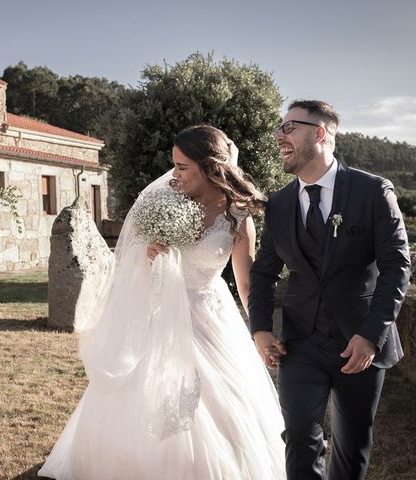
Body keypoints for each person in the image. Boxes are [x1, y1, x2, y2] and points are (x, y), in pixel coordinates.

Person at [38, 125, 286, 479]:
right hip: (161, 315)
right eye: (174, 165)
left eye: (183, 167)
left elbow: (246, 282)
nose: (175, 174)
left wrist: (259, 330)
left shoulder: (238, 214)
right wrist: (149, 255)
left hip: (211, 317)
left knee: (225, 403)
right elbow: (129, 265)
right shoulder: (163, 201)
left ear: (210, 167)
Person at [248, 100, 411, 480]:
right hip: (301, 342)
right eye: (279, 127)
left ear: (320, 133)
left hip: (360, 341)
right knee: (301, 435)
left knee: (352, 445)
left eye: (289, 127)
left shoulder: (373, 191)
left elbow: (397, 266)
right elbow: (263, 273)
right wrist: (260, 328)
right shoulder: (280, 203)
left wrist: (371, 335)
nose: (279, 135)